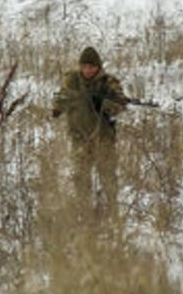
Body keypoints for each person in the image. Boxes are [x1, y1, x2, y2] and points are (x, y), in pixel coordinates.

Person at [51, 46, 128, 217]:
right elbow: (62, 97)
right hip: (79, 138)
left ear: (98, 67)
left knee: (108, 176)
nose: (88, 70)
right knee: (81, 177)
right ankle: (84, 213)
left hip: (103, 138)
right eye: (84, 66)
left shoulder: (109, 82)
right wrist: (57, 108)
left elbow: (120, 105)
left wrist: (104, 104)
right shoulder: (72, 80)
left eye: (92, 67)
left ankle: (113, 210)